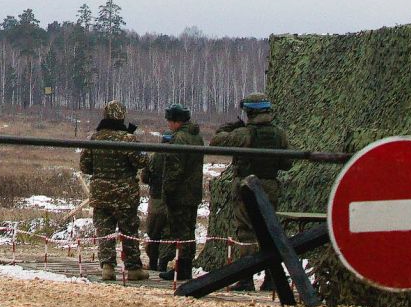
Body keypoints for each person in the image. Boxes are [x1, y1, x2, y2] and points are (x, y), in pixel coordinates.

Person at [212, 93, 293, 288]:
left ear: (249, 112)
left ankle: (246, 278)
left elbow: (216, 141)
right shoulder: (279, 134)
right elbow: (287, 163)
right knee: (269, 231)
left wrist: (231, 127)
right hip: (270, 187)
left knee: (247, 233)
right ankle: (272, 278)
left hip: (246, 186)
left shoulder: (243, 134)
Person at [78, 100, 144, 281]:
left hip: (101, 193)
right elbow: (142, 162)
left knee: (104, 231)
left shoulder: (96, 138)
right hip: (125, 194)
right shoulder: (128, 139)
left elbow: (85, 166)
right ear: (122, 115)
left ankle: (107, 266)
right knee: (129, 230)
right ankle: (133, 268)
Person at [144, 104, 204, 281]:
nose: (168, 124)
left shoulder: (178, 139)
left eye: (170, 120)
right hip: (193, 192)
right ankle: (185, 266)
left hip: (179, 194)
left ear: (176, 121)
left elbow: (174, 169)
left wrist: (168, 192)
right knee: (189, 230)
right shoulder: (197, 138)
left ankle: (182, 269)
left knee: (179, 232)